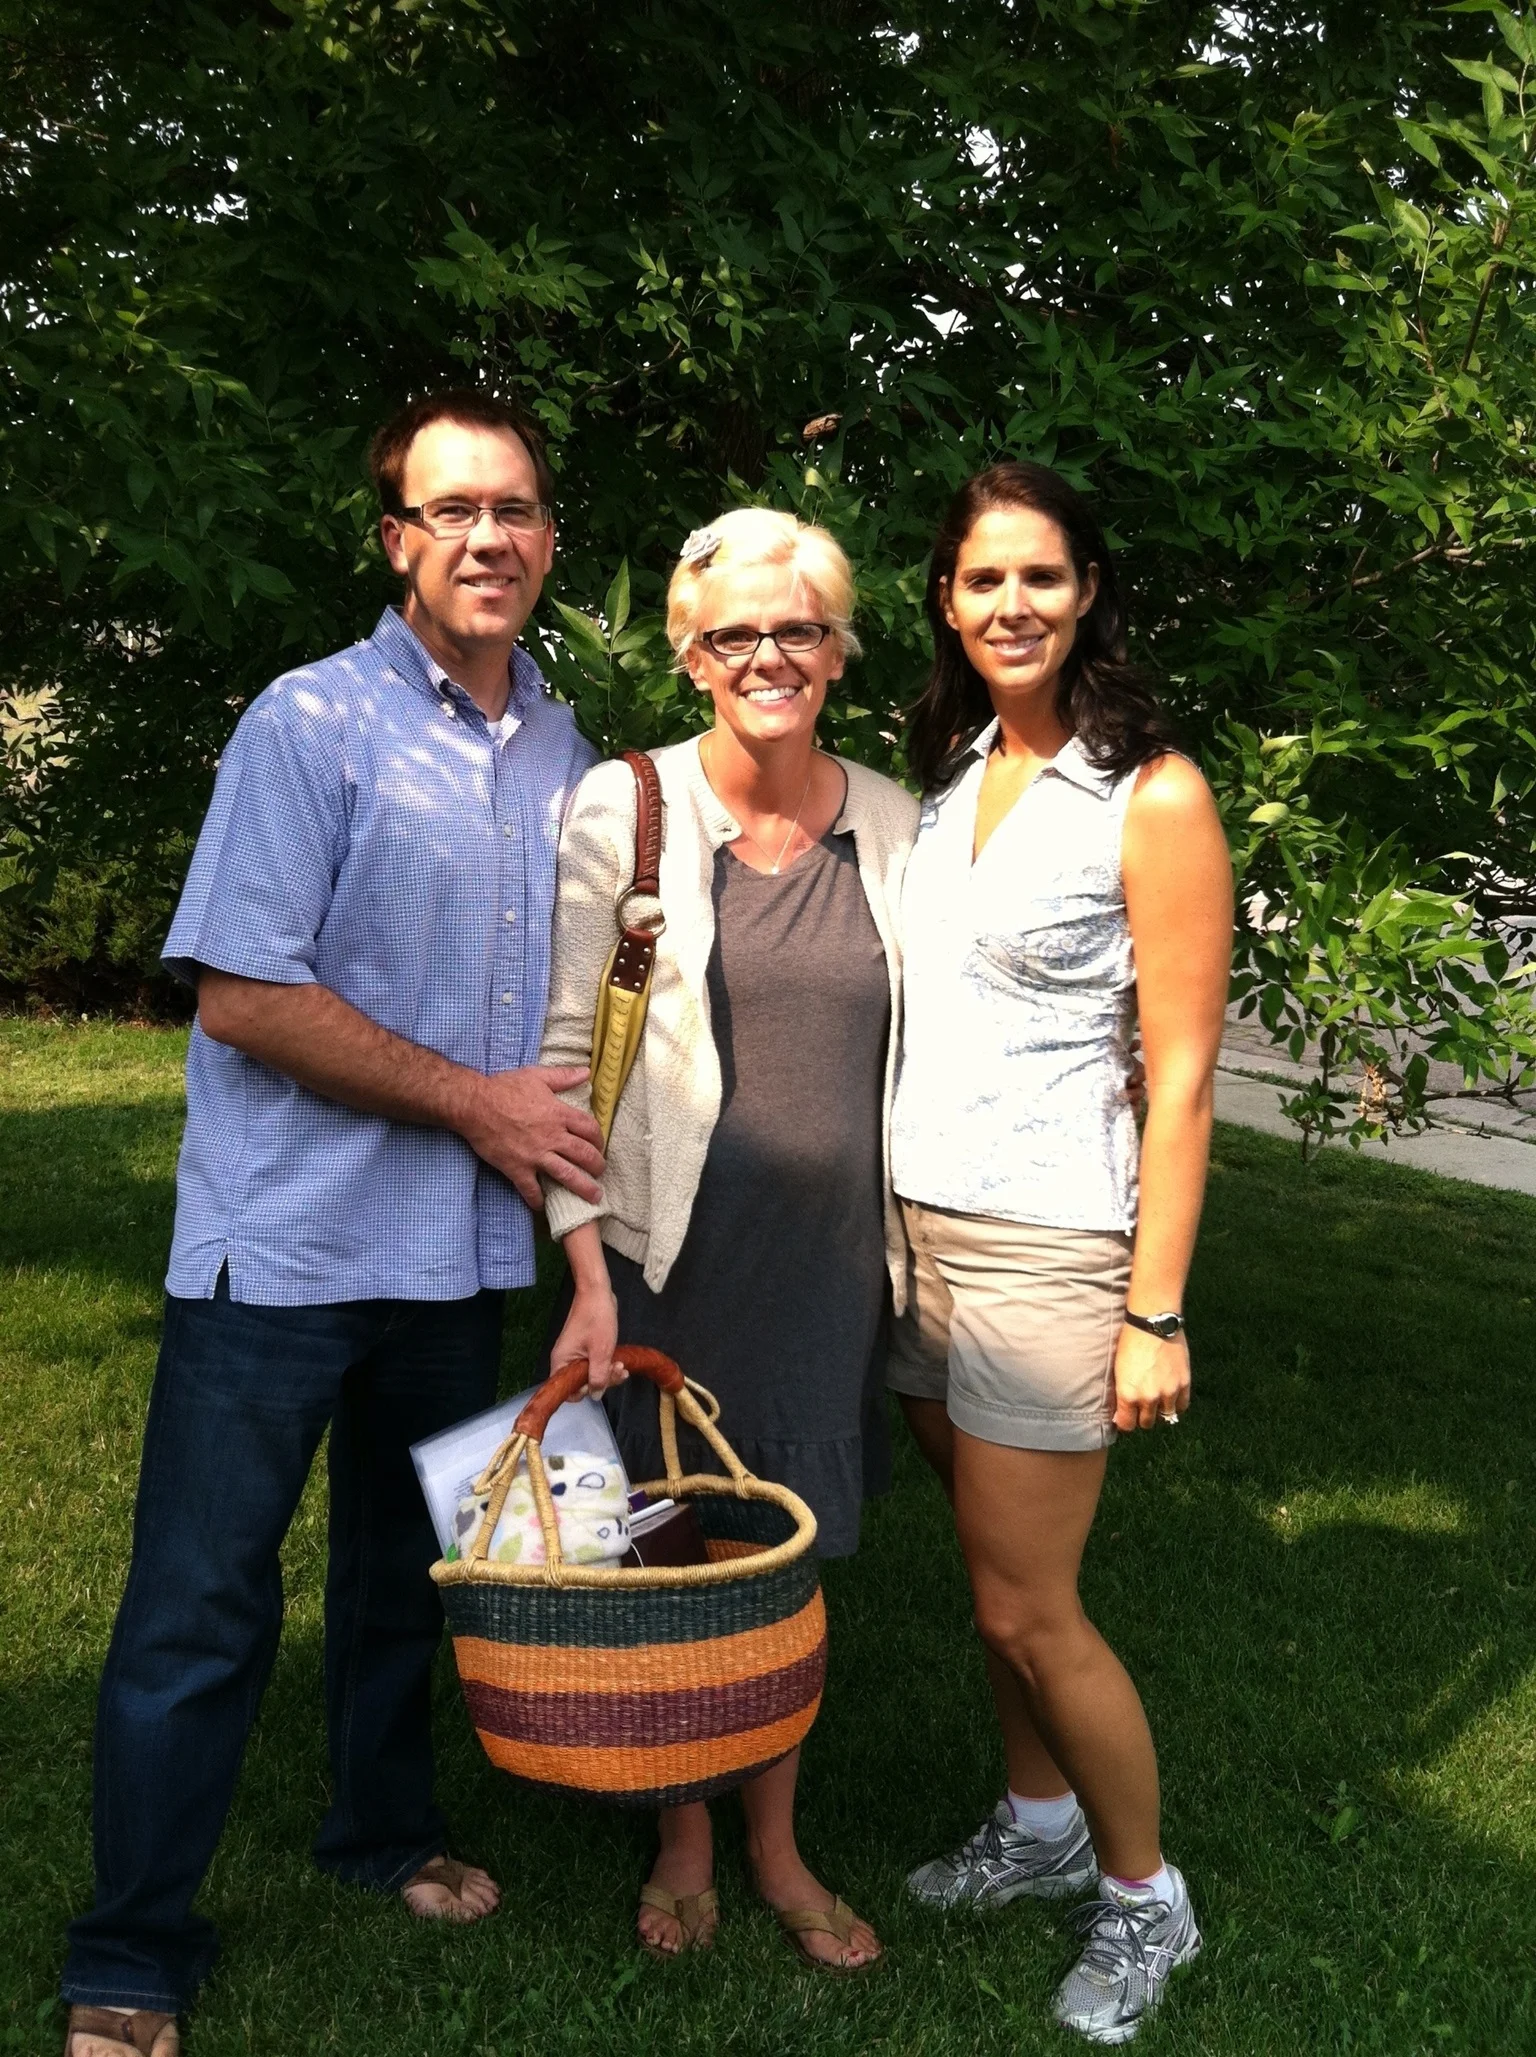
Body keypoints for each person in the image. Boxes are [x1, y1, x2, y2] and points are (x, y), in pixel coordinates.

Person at [60, 390, 605, 2057]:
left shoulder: (571, 753)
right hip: (285, 1251)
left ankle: (381, 1832)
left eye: (513, 508)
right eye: (451, 511)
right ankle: (131, 1952)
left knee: (402, 1582)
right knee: (200, 1607)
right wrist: (480, 1107)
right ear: (396, 543)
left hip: (459, 1255)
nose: (487, 537)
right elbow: (242, 994)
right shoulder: (309, 722)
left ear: (550, 539)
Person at [537, 508, 918, 1970]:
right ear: (692, 655)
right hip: (663, 1259)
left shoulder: (894, 823)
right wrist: (584, 1267)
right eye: (736, 634)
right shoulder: (626, 807)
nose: (770, 656)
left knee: (780, 1554)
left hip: (826, 1272)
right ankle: (683, 1835)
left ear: (839, 650)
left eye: (799, 629)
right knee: (665, 1543)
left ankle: (776, 1842)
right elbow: (568, 1055)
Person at [887, 462, 1232, 2045]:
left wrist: (1155, 1309)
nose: (1011, 605)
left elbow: (1185, 1076)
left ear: (1088, 590)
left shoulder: (1150, 794)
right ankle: (1036, 1829)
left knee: (1035, 1608)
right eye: (983, 580)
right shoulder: (952, 774)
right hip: (917, 1235)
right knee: (989, 1586)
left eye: (1041, 576)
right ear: (948, 602)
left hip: (1052, 1246)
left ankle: (1147, 1898)